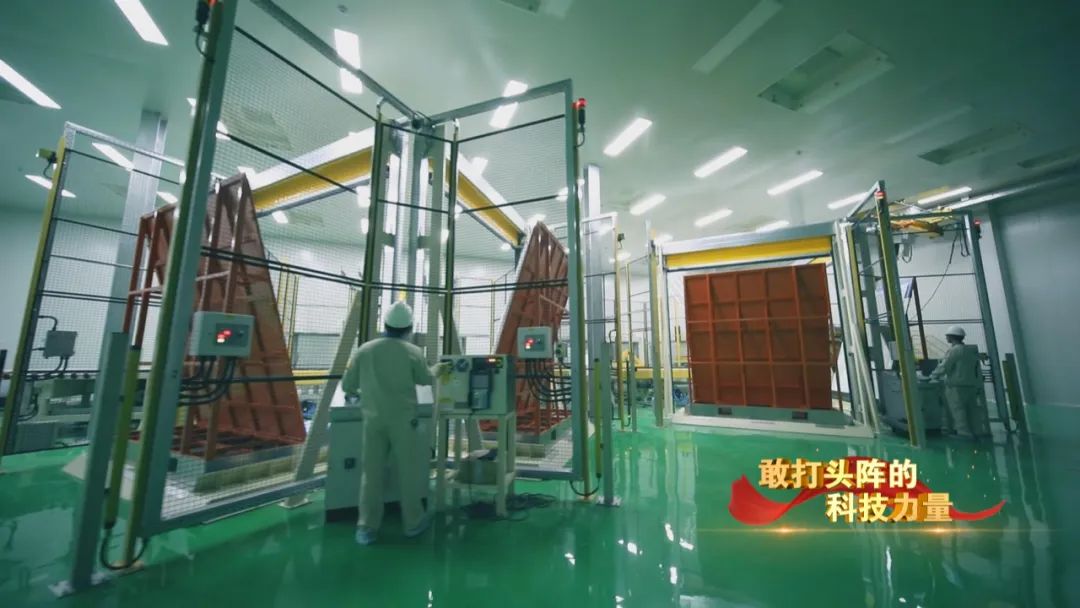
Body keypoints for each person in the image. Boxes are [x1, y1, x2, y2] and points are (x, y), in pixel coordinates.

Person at [342, 300, 449, 545]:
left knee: (371, 474)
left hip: (373, 421)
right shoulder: (413, 352)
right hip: (404, 422)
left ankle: (366, 527)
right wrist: (438, 369)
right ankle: (413, 523)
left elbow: (348, 385)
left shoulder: (365, 350)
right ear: (409, 328)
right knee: (409, 473)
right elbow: (425, 378)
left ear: (386, 325)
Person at [929, 326, 984, 439]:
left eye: (947, 336)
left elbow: (945, 366)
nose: (946, 338)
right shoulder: (970, 350)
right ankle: (978, 432)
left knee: (958, 410)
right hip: (971, 385)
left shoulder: (955, 350)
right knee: (973, 411)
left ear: (951, 337)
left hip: (956, 387)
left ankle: (964, 433)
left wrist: (932, 376)